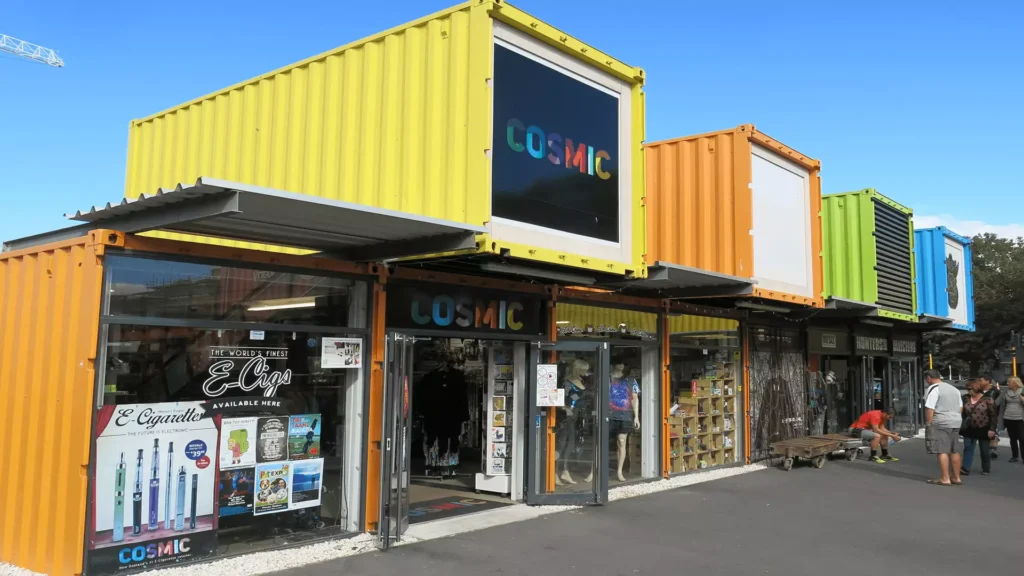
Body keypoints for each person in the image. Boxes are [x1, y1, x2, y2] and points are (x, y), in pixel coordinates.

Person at [923, 369, 963, 486]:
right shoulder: (954, 389)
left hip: (940, 422)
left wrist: (928, 424)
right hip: (956, 421)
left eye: (926, 379)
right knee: (954, 450)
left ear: (929, 378)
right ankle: (956, 477)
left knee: (942, 450)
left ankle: (945, 478)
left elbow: (930, 408)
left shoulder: (934, 389)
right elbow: (960, 407)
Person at [960, 379, 997, 476]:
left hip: (984, 428)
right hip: (969, 427)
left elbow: (993, 416)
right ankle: (965, 468)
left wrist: (992, 429)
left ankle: (986, 468)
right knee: (968, 447)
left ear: (976, 389)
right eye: (967, 389)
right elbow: (962, 412)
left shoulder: (988, 399)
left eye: (970, 389)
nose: (968, 391)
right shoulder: (965, 398)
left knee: (984, 450)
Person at [995, 376, 1024, 463]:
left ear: (1016, 383)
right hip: (1008, 418)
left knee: (1022, 438)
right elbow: (997, 402)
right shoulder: (1005, 391)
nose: (1008, 383)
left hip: (1020, 418)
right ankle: (1014, 456)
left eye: (1009, 382)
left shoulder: (1022, 391)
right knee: (1012, 438)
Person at [979, 374, 1001, 459]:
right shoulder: (979, 391)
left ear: (988, 381)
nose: (980, 382)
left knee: (994, 432)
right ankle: (986, 448)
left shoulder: (995, 391)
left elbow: (999, 403)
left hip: (994, 415)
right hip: (981, 416)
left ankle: (993, 450)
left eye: (981, 380)